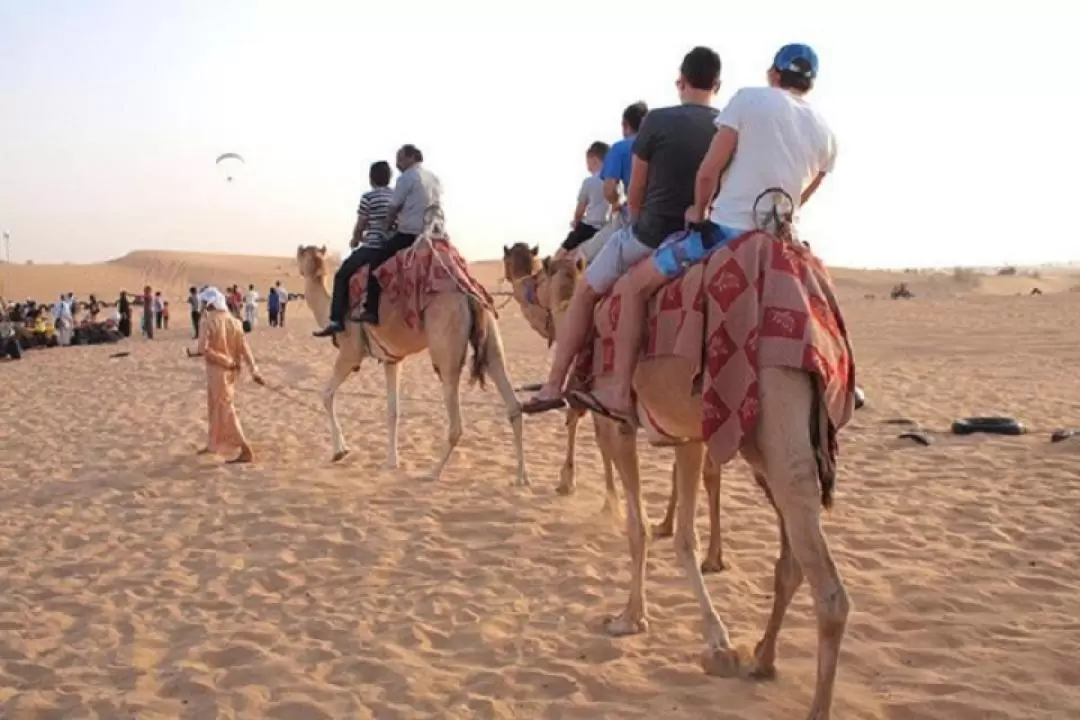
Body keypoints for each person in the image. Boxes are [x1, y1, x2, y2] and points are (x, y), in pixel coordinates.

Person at [575, 44, 837, 423]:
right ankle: (839, 381)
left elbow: (708, 172)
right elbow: (803, 197)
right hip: (783, 241)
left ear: (774, 74)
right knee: (824, 302)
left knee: (634, 285)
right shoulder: (827, 135)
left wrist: (698, 210)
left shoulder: (748, 100)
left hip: (725, 234)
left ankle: (617, 392)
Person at [522, 46, 723, 419]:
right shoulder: (728, 124)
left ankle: (555, 385)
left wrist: (636, 215)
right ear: (718, 84)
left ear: (681, 81)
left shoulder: (657, 122)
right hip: (706, 236)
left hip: (648, 235)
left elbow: (634, 193)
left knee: (583, 292)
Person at [314, 147, 442, 335]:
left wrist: (355, 239)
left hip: (376, 245)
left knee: (341, 275)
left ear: (371, 179)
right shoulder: (424, 182)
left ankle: (337, 320)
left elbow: (362, 223)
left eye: (400, 159)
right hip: (430, 233)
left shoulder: (370, 197)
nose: (399, 164)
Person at [187, 287, 264, 464]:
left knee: (226, 409)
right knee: (214, 406)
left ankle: (245, 449)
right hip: (231, 372)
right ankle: (213, 444)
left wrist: (225, 361)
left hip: (219, 371)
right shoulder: (235, 322)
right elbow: (245, 349)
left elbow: (203, 349)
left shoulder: (207, 320)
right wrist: (254, 371)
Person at [560, 141, 611, 253]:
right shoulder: (616, 182)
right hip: (607, 229)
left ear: (594, 160)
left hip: (588, 228)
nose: (587, 167)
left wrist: (575, 221)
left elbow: (580, 210)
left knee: (559, 256)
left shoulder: (589, 182)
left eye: (588, 163)